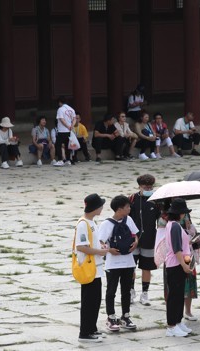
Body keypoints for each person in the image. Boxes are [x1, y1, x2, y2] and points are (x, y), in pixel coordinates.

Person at [98, 195, 139, 332]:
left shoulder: (129, 219)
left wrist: (136, 243)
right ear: (120, 209)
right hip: (113, 263)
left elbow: (135, 235)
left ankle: (125, 316)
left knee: (126, 290)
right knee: (111, 291)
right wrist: (109, 250)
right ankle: (111, 317)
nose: (129, 208)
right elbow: (100, 242)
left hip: (128, 261)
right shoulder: (106, 224)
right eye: (127, 206)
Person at [75, 193, 110, 343]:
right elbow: (81, 247)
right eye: (101, 205)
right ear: (95, 207)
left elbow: (92, 243)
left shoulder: (92, 222)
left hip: (96, 269)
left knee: (95, 301)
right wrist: (99, 252)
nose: (102, 208)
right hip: (89, 269)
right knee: (89, 301)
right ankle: (85, 333)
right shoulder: (83, 223)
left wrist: (99, 246)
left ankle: (92, 329)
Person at [164, 198, 194, 337]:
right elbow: (176, 248)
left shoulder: (173, 225)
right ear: (180, 213)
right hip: (176, 264)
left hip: (178, 263)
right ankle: (171, 325)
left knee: (179, 294)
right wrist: (184, 265)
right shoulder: (175, 226)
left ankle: (178, 320)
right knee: (174, 296)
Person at [129, 174, 160, 306]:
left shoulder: (156, 200)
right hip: (134, 239)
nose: (148, 188)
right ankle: (130, 291)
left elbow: (161, 220)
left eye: (150, 186)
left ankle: (145, 293)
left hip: (150, 238)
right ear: (139, 186)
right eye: (145, 187)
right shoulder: (132, 199)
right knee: (131, 267)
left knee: (146, 267)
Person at [55, 96, 76, 165]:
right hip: (69, 131)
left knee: (58, 144)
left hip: (62, 130)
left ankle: (60, 160)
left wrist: (67, 126)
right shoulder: (71, 109)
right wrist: (71, 126)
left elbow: (61, 119)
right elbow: (74, 119)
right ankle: (68, 160)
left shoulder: (60, 109)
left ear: (60, 102)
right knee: (67, 145)